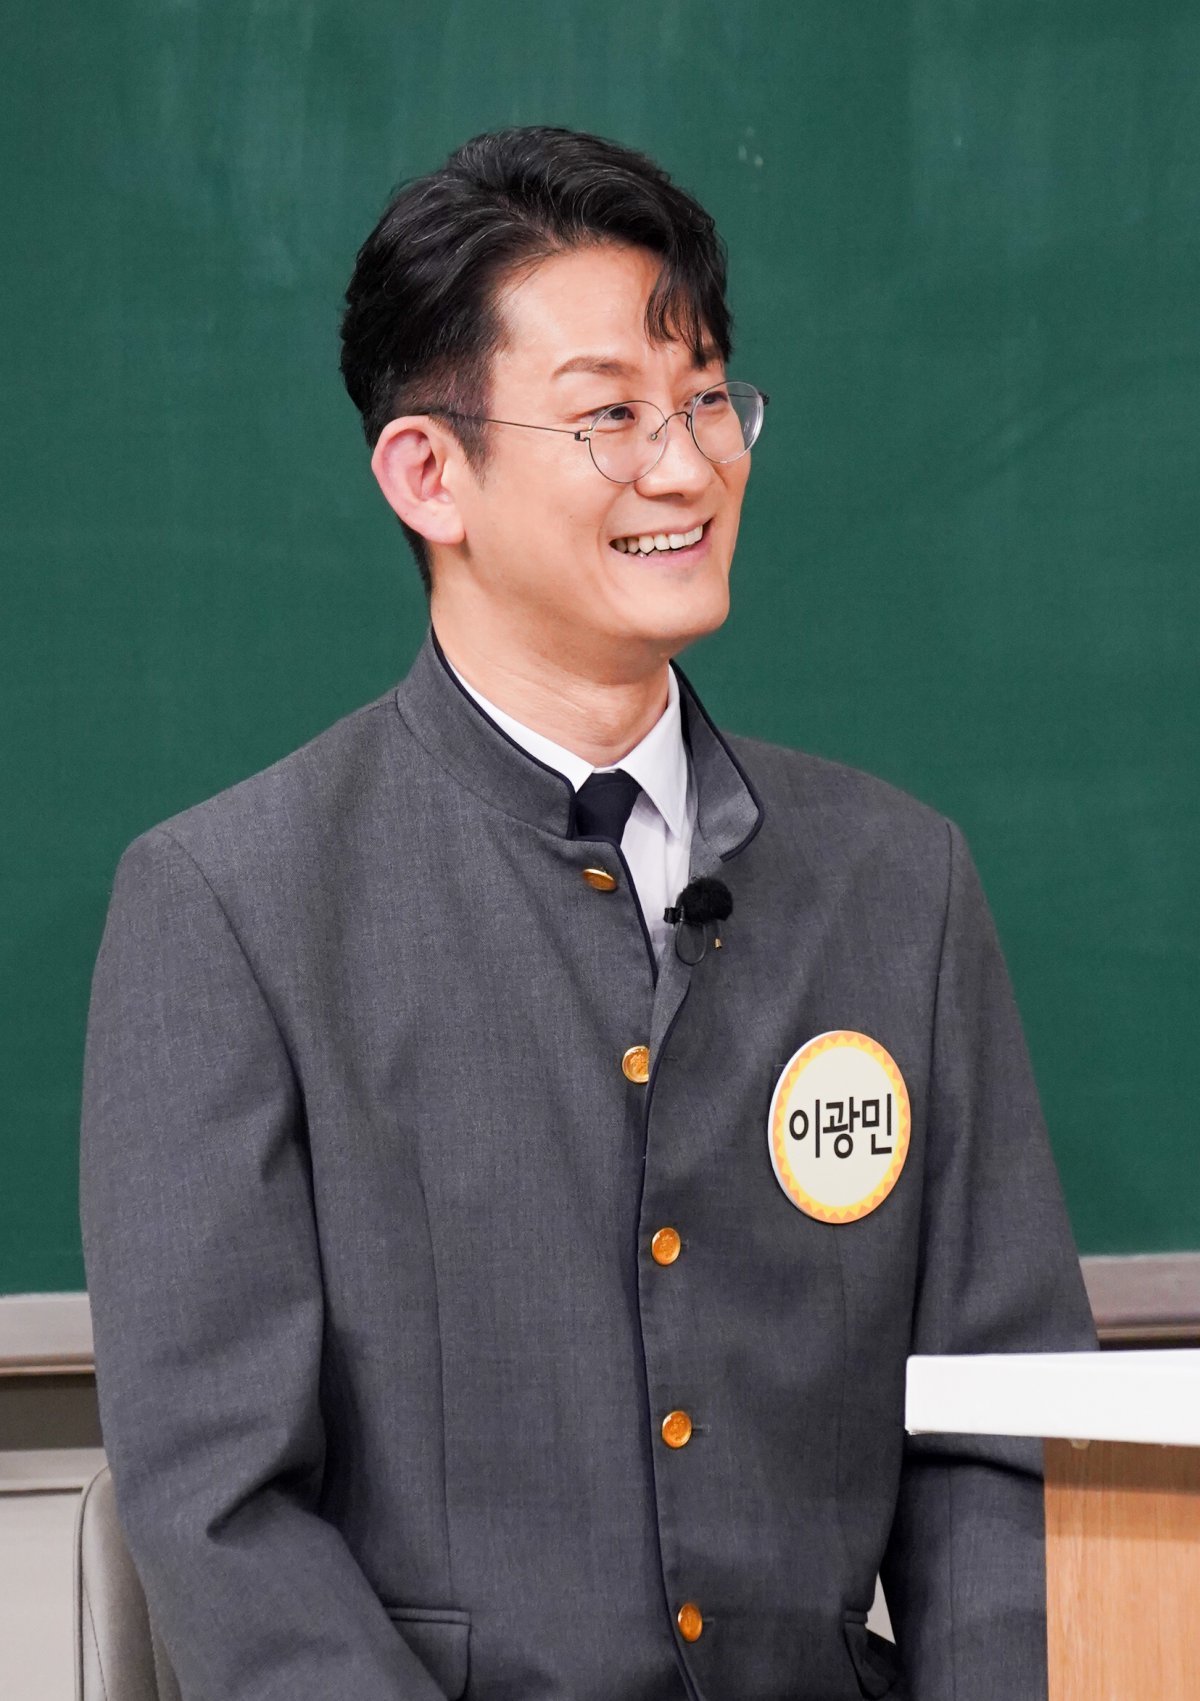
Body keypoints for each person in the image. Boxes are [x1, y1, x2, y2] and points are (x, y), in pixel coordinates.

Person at [81, 126, 1096, 1701]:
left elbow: (1000, 1439)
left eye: (707, 398)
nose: (685, 465)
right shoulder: (230, 908)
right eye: (610, 415)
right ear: (430, 473)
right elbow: (225, 1514)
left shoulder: (902, 884)